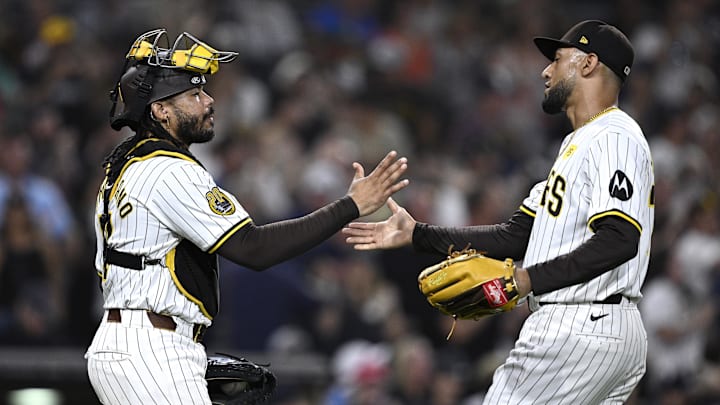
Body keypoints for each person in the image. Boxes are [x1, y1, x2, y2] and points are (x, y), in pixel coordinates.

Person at [84, 28, 409, 405]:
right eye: (194, 94)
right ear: (160, 110)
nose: (208, 101)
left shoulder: (124, 168)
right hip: (150, 345)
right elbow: (254, 249)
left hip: (135, 339)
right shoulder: (167, 169)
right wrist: (350, 206)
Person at [343, 20, 655, 404]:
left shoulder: (614, 136)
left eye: (557, 59)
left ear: (588, 64)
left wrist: (526, 279)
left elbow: (620, 239)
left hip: (577, 323)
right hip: (601, 329)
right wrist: (418, 234)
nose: (546, 70)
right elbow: (515, 235)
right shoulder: (579, 144)